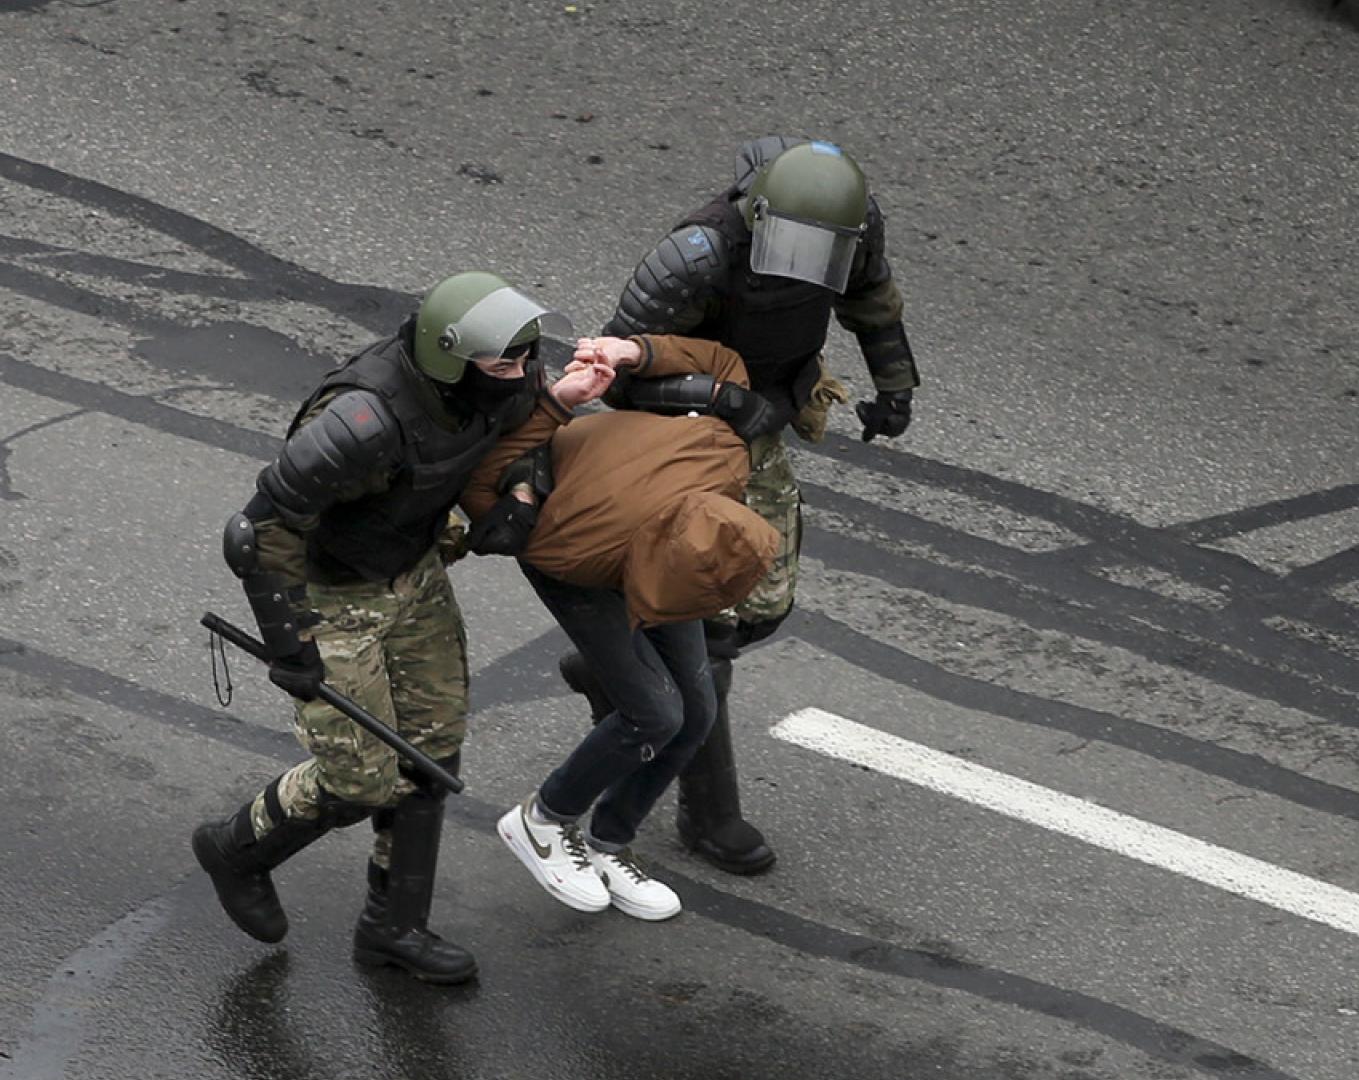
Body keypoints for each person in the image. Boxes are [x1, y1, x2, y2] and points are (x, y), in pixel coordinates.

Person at [192, 272, 614, 983]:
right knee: (358, 780)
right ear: (451, 358)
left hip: (413, 574)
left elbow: (513, 438)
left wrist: (524, 474)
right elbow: (259, 530)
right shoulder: (361, 421)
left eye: (524, 360)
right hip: (332, 594)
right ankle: (238, 848)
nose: (518, 374)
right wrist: (291, 643)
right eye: (503, 364)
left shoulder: (502, 380)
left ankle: (394, 927)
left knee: (431, 751)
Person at [562, 136, 924, 874]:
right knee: (712, 621)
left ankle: (615, 669)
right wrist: (723, 399)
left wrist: (896, 385)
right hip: (683, 433)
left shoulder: (853, 227)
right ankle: (709, 815)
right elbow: (619, 372)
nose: (803, 261)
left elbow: (871, 298)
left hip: (764, 417)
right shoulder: (697, 253)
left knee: (762, 602)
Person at [457, 333, 779, 918]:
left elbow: (722, 361)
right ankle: (541, 820)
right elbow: (483, 481)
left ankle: (608, 843)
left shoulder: (726, 454)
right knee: (654, 712)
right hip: (575, 560)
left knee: (698, 711)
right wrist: (557, 405)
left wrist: (636, 353)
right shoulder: (571, 549)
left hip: (659, 531)